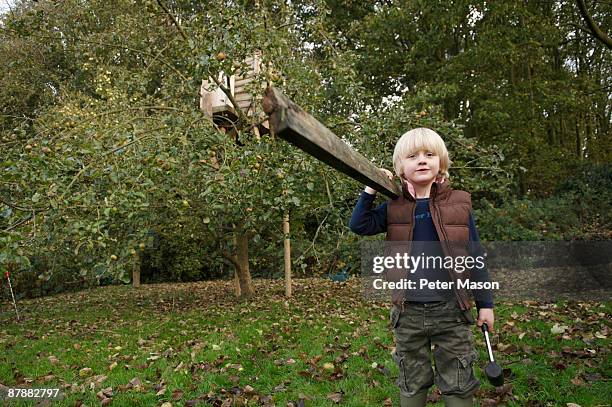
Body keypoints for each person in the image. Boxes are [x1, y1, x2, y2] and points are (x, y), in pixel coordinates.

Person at [349, 128, 495, 407]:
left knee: (459, 379)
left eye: (429, 154)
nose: (422, 160)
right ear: (400, 167)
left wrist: (485, 304)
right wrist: (369, 189)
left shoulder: (460, 204)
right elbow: (359, 225)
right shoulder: (394, 207)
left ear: (441, 162)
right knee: (411, 376)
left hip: (452, 310)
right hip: (408, 312)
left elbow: (475, 256)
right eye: (413, 156)